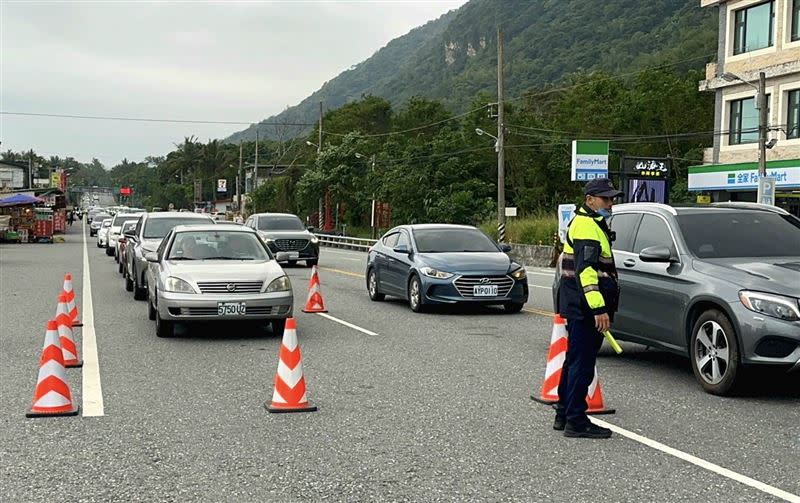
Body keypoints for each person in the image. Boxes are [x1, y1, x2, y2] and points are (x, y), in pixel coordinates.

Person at [554, 178, 623, 439]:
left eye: (612, 198)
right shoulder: (586, 226)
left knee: (574, 360)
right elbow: (587, 272)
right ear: (590, 199)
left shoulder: (591, 222)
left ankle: (564, 413)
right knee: (582, 363)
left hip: (578, 304)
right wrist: (598, 309)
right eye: (605, 199)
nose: (610, 203)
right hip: (585, 306)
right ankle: (576, 420)